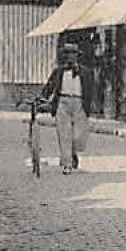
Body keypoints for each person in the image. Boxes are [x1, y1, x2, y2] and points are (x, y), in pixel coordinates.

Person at [38, 43, 94, 174]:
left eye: (73, 54)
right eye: (67, 54)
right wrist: (43, 98)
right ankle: (67, 164)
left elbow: (91, 89)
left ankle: (73, 152)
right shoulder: (59, 71)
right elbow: (49, 87)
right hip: (62, 102)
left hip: (79, 103)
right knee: (64, 134)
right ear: (64, 56)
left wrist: (91, 105)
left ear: (77, 56)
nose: (70, 57)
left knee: (78, 136)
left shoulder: (85, 72)